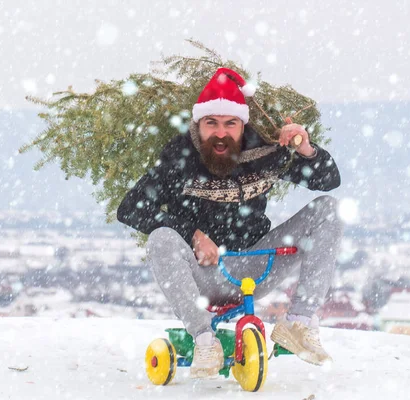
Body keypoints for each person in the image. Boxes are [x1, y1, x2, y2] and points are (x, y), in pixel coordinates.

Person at [117, 67, 343, 378]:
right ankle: (205, 341)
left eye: (230, 124)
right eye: (212, 123)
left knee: (327, 209)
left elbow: (328, 181)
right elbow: (130, 208)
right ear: (199, 123)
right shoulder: (180, 156)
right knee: (160, 239)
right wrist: (192, 235)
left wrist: (305, 149)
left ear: (242, 124)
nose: (221, 134)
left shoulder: (264, 153)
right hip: (202, 274)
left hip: (256, 266)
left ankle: (299, 324)